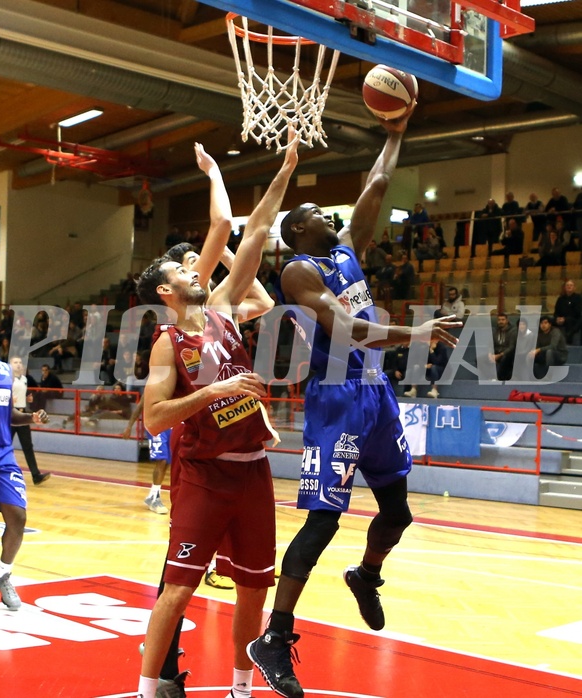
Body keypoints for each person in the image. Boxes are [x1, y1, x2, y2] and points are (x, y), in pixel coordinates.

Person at [246, 110, 460, 698]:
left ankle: (365, 575)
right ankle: (275, 636)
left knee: (398, 514)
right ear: (297, 233)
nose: (329, 215)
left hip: (375, 394)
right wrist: (414, 335)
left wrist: (396, 129)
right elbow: (344, 331)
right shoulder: (298, 270)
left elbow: (377, 185)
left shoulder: (345, 252)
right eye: (316, 214)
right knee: (323, 520)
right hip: (336, 399)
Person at [134, 134, 298, 698]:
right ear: (167, 289)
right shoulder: (166, 341)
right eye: (183, 268)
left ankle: (240, 688)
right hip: (204, 471)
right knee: (177, 590)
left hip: (252, 470)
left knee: (255, 587)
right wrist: (212, 392)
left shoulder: (224, 306)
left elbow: (243, 230)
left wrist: (285, 169)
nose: (195, 269)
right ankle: (149, 689)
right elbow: (154, 419)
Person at [0, 321, 49, 611]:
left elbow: (9, 414)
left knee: (18, 516)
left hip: (2, 455)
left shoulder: (4, 371)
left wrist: (31, 418)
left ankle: (2, 575)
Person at [10, 357, 50, 485]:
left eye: (20, 362)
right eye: (15, 362)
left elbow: (20, 394)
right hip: (10, 415)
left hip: (23, 415)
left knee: (28, 446)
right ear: (10, 365)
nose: (18, 364)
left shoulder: (24, 379)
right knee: (3, 445)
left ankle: (36, 475)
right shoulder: (6, 379)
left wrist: (27, 399)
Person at [487, 312, 517, 381]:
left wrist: (499, 355)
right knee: (480, 360)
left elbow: (512, 347)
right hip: (496, 353)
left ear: (507, 320)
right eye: (499, 320)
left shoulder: (513, 331)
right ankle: (488, 377)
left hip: (507, 354)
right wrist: (490, 354)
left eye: (503, 320)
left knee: (505, 358)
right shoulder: (495, 331)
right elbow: (490, 344)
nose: (501, 322)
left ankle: (497, 377)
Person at [554, 279, 582, 345]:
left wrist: (565, 319)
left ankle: (570, 337)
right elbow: (556, 312)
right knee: (548, 320)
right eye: (567, 285)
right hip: (561, 320)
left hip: (574, 321)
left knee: (571, 321)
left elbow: (577, 312)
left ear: (574, 287)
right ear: (565, 287)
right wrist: (557, 318)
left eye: (571, 285)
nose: (569, 287)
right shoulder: (560, 299)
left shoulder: (578, 298)